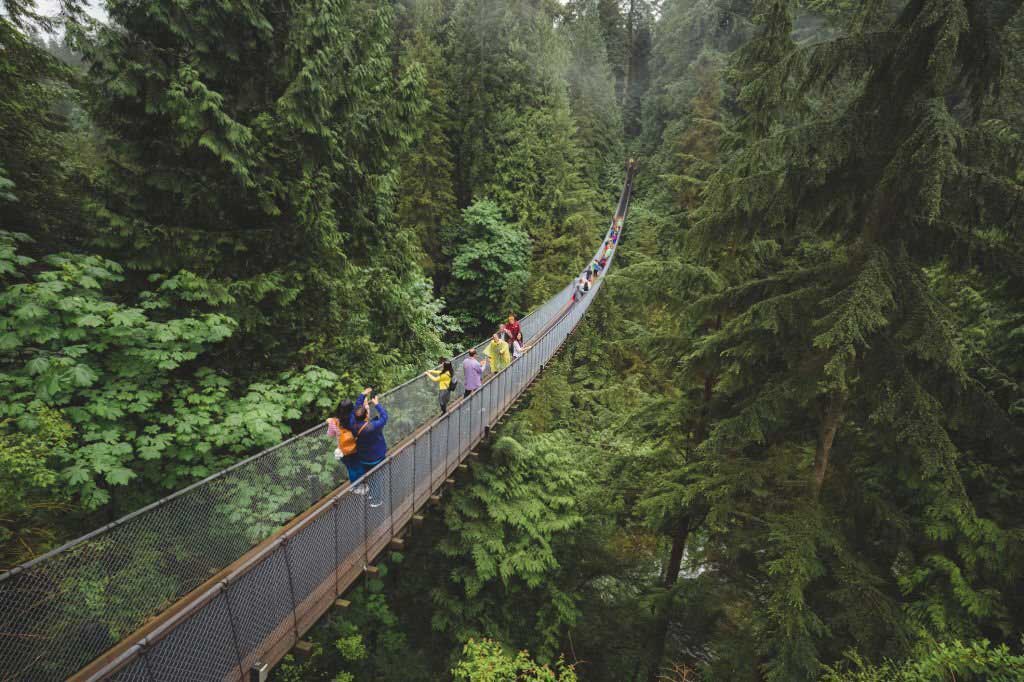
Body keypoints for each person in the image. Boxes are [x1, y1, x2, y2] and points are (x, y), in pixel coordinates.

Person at [348, 388, 388, 506]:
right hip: (376, 457)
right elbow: (384, 417)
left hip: (363, 457)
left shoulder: (352, 423)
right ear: (366, 415)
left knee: (369, 476)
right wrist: (377, 404)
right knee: (376, 477)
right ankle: (376, 500)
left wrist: (362, 396)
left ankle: (371, 493)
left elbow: (355, 409)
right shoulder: (373, 426)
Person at [327, 400, 362, 484]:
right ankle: (363, 481)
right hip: (356, 446)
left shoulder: (334, 422)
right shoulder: (355, 417)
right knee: (358, 465)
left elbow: (330, 434)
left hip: (344, 449)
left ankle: (356, 486)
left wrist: (330, 422)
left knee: (351, 468)